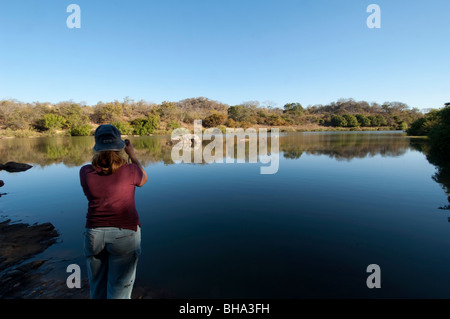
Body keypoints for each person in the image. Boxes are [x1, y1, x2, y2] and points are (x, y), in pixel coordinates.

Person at [79, 124, 148, 299]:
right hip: (125, 234)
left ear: (96, 146)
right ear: (120, 146)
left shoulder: (85, 172)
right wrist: (132, 155)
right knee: (119, 291)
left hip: (93, 234)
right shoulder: (131, 170)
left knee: (97, 288)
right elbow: (144, 179)